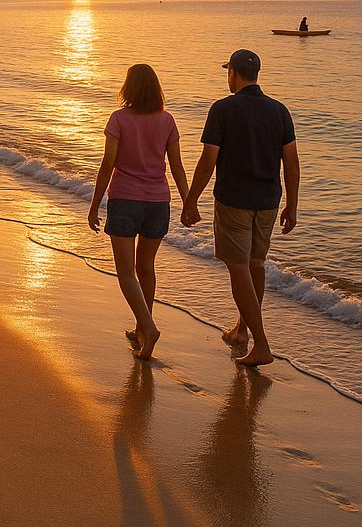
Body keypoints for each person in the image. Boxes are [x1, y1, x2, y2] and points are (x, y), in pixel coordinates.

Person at [181, 49, 300, 367]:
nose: (227, 77)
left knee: (238, 268)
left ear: (233, 73)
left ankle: (261, 344)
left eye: (228, 71)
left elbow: (208, 160)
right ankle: (242, 331)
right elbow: (291, 162)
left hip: (234, 200)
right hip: (268, 202)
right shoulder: (279, 111)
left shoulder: (223, 109)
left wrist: (191, 200)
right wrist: (292, 204)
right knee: (256, 264)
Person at [89, 64, 188, 361]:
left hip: (125, 201)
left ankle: (148, 326)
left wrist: (94, 205)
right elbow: (177, 166)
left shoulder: (119, 119)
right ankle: (142, 328)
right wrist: (189, 201)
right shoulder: (167, 120)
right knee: (146, 268)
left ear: (128, 88)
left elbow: (108, 164)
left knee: (126, 272)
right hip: (158, 203)